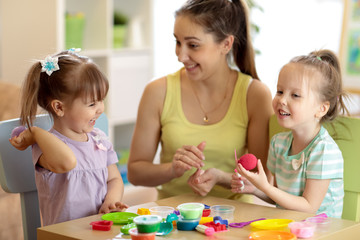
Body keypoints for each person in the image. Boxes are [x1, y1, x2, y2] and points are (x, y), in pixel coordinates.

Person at [127, 0, 273, 201]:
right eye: (178, 42)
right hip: (172, 219)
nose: (181, 55)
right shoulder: (157, 91)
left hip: (235, 220)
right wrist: (172, 169)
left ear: (226, 44)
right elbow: (135, 173)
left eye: (193, 45)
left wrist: (221, 178)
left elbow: (264, 184)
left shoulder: (255, 95)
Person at [9, 50, 128, 226]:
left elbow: (114, 179)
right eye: (92, 104)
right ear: (59, 107)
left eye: (101, 100)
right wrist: (35, 133)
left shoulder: (99, 139)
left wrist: (110, 200)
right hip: (64, 235)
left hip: (99, 231)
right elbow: (67, 162)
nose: (100, 109)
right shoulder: (45, 145)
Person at [231, 49, 348, 218]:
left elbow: (308, 207)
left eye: (295, 95)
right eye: (279, 91)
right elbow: (280, 198)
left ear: (321, 108)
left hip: (323, 232)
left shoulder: (324, 151)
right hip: (289, 226)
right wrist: (255, 189)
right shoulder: (278, 143)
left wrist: (266, 187)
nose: (282, 100)